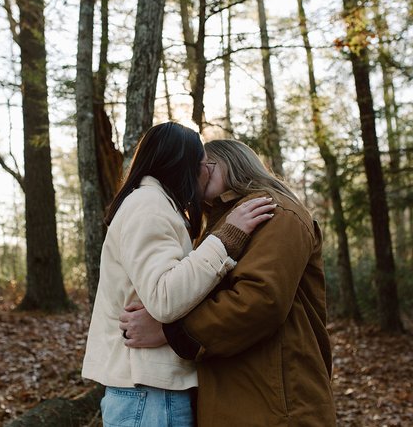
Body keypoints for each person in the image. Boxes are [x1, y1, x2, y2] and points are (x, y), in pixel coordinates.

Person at [120, 139, 336, 426]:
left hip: (277, 405)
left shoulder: (276, 212)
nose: (196, 174)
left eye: (204, 165)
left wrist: (172, 332)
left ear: (233, 162)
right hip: (237, 397)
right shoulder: (221, 226)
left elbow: (259, 301)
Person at [81, 124, 276, 426]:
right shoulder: (149, 206)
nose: (205, 172)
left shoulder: (156, 206)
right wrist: (226, 239)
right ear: (183, 164)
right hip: (150, 394)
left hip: (150, 391)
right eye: (201, 164)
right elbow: (165, 298)